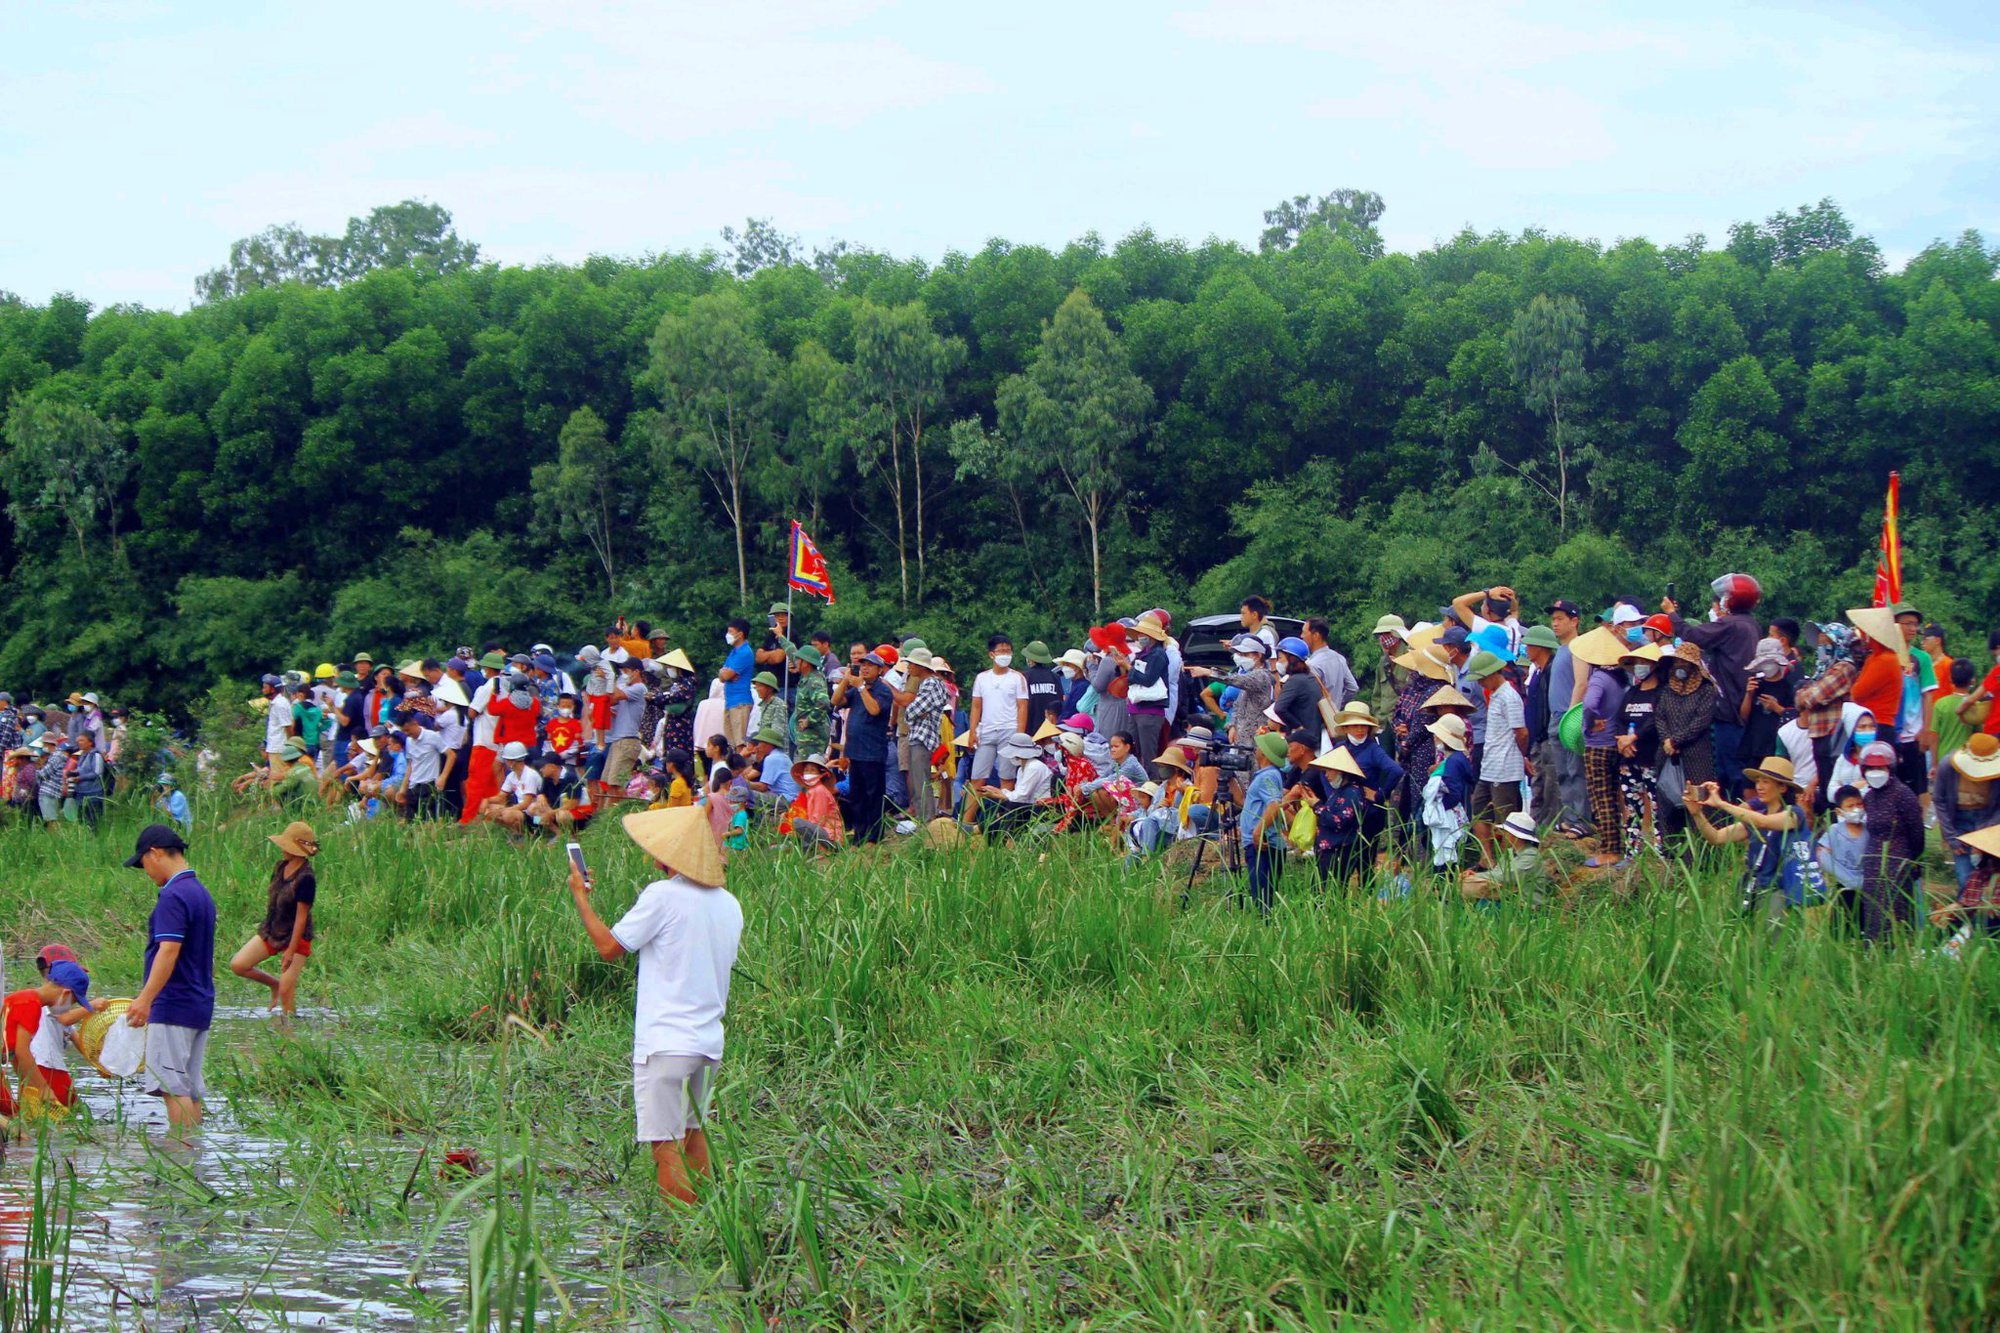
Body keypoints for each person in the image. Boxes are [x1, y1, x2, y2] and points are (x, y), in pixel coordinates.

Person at [567, 806, 743, 1204]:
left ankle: (679, 1236)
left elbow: (609, 948)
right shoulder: (729, 904)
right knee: (694, 1134)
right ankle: (707, 1227)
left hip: (666, 1043)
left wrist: (581, 897)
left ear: (668, 858)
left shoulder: (662, 895)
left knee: (665, 1146)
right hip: (708, 1042)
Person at [124, 823, 217, 1133]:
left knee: (171, 1086)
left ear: (156, 853)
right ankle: (193, 1159)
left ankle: (181, 1157)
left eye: (144, 864)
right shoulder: (200, 893)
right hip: (198, 1003)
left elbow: (168, 951)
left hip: (173, 1004)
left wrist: (145, 999)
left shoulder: (173, 895)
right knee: (187, 1087)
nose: (146, 871)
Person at [1682, 758, 1815, 925]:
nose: (1759, 787)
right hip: (1750, 886)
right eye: (1758, 781)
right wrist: (1697, 814)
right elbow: (1717, 837)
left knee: (1775, 944)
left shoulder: (1794, 814)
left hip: (1779, 890)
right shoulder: (1758, 814)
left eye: (1766, 782)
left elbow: (1763, 822)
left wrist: (1721, 804)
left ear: (1782, 787)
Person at [1663, 573, 1762, 790]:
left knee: (1729, 771)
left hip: (1729, 709)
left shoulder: (1731, 624)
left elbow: (1693, 635)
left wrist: (1672, 614)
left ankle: (1730, 816)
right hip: (1742, 704)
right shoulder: (1751, 624)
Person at [229, 820, 318, 1016]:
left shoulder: (306, 878)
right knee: (239, 964)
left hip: (296, 936)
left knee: (287, 993)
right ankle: (274, 984)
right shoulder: (280, 868)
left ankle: (289, 1035)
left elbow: (301, 919)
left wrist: (291, 951)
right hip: (273, 929)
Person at [5, 957, 99, 1117]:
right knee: (13, 1121)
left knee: (15, 1118)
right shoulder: (31, 1004)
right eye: (73, 1002)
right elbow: (22, 1051)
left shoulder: (27, 999)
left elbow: (14, 1053)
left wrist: (27, 1083)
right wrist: (44, 1089)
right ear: (66, 994)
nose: (69, 1008)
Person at [1856, 741, 1925, 942]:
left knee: (1896, 911)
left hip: (1898, 860)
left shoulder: (1903, 794)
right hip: (1873, 861)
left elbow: (1917, 833)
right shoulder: (1868, 797)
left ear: (1890, 768)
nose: (1876, 772)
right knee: (1873, 911)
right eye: (1871, 768)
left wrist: (1912, 860)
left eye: (1880, 768)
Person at [1467, 651, 1527, 867]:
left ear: (1494, 673)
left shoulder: (1510, 697)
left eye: (1483, 678)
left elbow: (1521, 732)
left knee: (1506, 817)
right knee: (1480, 810)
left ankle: (1508, 863)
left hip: (1505, 766)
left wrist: (1523, 756)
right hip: (1490, 766)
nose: (1481, 682)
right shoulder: (1495, 696)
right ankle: (1488, 859)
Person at [834, 652, 894, 844]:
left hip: (873, 752)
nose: (865, 668)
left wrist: (860, 686)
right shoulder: (858, 690)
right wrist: (845, 681)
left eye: (870, 665)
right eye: (862, 665)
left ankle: (874, 838)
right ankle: (860, 836)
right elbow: (836, 701)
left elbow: (874, 709)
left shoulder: (882, 690)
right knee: (857, 796)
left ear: (879, 670)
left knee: (873, 796)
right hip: (855, 751)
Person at [1934, 733, 2000, 893]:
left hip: (1988, 821)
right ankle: (1966, 916)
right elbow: (1939, 800)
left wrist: (1987, 831)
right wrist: (1951, 836)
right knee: (1965, 879)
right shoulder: (1948, 766)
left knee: (1991, 880)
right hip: (1959, 823)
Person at [1238, 731, 1290, 911]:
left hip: (1263, 845)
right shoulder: (1268, 775)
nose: (1256, 749)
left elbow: (1275, 804)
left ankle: (1265, 928)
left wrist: (1259, 831)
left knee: (1262, 898)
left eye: (1260, 746)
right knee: (1262, 894)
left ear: (1265, 753)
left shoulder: (1267, 776)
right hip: (1261, 844)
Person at [968, 636, 1030, 783]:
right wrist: (972, 732)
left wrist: (1019, 735)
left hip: (1009, 730)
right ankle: (970, 806)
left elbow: (1022, 706)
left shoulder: (1017, 678)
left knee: (1007, 777)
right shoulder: (981, 678)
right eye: (1001, 651)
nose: (1005, 655)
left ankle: (1006, 805)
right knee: (977, 777)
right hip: (987, 731)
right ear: (992, 654)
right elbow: (976, 706)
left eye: (1008, 651)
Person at [1419, 713, 1476, 873]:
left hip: (1449, 819)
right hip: (1458, 814)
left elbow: (1453, 792)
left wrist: (1439, 807)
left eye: (1437, 735)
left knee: (1446, 859)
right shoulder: (1458, 758)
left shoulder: (1452, 762)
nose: (1435, 739)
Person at [1461, 811, 1551, 906]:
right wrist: (1475, 875)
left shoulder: (1531, 856)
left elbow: (1504, 876)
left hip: (1526, 906)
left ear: (1513, 835)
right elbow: (1497, 873)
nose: (1503, 835)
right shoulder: (1510, 853)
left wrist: (1476, 876)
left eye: (1505, 832)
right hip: (1510, 899)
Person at [1816, 784, 1869, 909]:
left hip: (1867, 888)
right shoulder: (1835, 830)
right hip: (1843, 888)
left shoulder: (1869, 830)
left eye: (1859, 804)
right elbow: (1821, 854)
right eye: (1850, 806)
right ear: (1840, 811)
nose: (1856, 809)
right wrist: (1847, 878)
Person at [782, 753, 846, 852]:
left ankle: (821, 849)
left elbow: (819, 820)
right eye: (806, 770)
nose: (809, 773)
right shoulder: (812, 790)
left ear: (820, 774)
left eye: (812, 770)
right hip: (822, 832)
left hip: (831, 837)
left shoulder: (819, 791)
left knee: (798, 822)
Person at [1270, 636, 1321, 742]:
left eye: (1280, 658)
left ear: (1291, 659)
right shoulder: (1310, 677)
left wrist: (1297, 726)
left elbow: (1279, 708)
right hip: (1315, 734)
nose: (1277, 663)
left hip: (1302, 739)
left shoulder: (1295, 681)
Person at [1302, 618, 1358, 711]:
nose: (1301, 636)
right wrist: (1337, 706)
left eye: (1304, 632)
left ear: (1315, 636)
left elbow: (1309, 697)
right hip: (1334, 719)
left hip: (1317, 720)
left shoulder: (1312, 664)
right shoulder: (1339, 658)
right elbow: (1353, 687)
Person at [788, 644, 832, 759]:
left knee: (808, 771)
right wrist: (780, 636)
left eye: (798, 659)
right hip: (806, 738)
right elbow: (791, 650)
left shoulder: (814, 681)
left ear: (806, 663)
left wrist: (809, 721)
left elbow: (824, 702)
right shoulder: (807, 677)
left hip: (812, 739)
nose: (795, 661)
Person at [718, 618, 756, 746]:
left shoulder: (745, 652)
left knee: (740, 743)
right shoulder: (734, 652)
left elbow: (727, 674)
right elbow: (722, 677)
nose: (728, 635)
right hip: (730, 702)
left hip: (740, 703)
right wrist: (726, 674)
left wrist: (727, 673)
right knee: (732, 743)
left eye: (731, 631)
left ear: (740, 634)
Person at [259, 673, 295, 781]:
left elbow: (287, 726)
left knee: (278, 779)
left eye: (265, 687)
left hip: (279, 747)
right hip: (275, 746)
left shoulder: (279, 704)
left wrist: (290, 745)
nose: (263, 690)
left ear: (273, 689)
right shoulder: (276, 703)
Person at [71, 729, 109, 829]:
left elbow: (97, 773)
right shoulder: (82, 755)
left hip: (93, 794)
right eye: (78, 741)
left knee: (93, 821)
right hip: (81, 793)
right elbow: (81, 770)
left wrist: (80, 778)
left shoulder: (96, 755)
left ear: (90, 742)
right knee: (82, 821)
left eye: (82, 740)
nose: (79, 743)